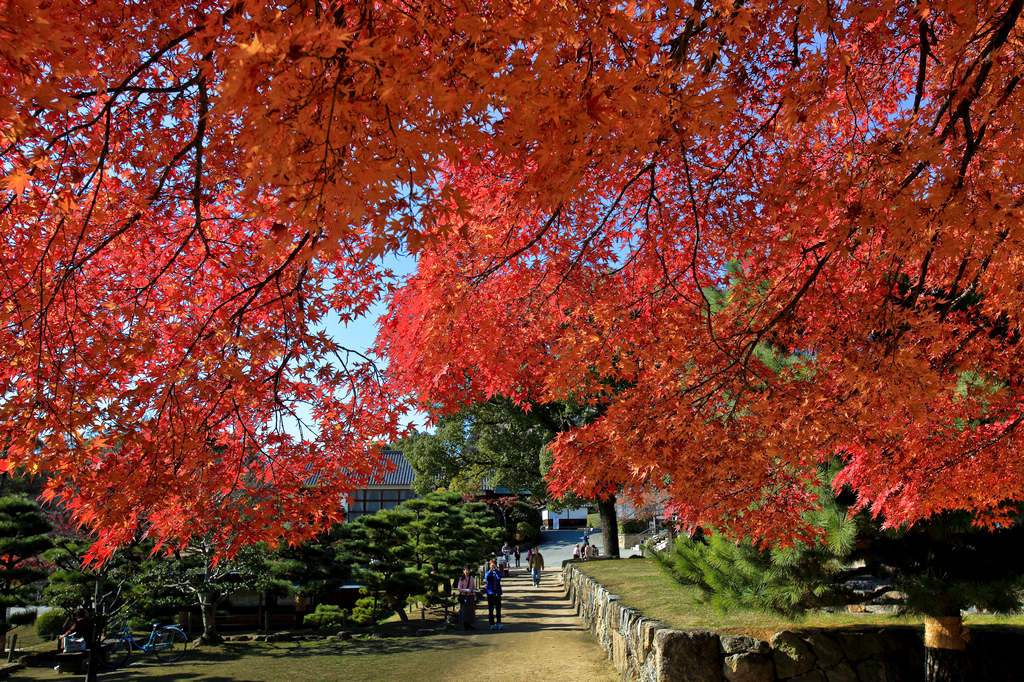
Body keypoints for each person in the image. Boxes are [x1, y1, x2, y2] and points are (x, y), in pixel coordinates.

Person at [484, 559, 503, 630]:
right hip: (490, 594)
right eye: (491, 565)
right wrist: (490, 571)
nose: (492, 567)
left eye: (494, 565)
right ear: (489, 566)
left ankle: (499, 623)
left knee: (498, 610)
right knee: (490, 610)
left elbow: (500, 576)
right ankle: (491, 624)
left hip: (497, 593)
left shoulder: (497, 572)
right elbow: (486, 577)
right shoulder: (488, 573)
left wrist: (496, 570)